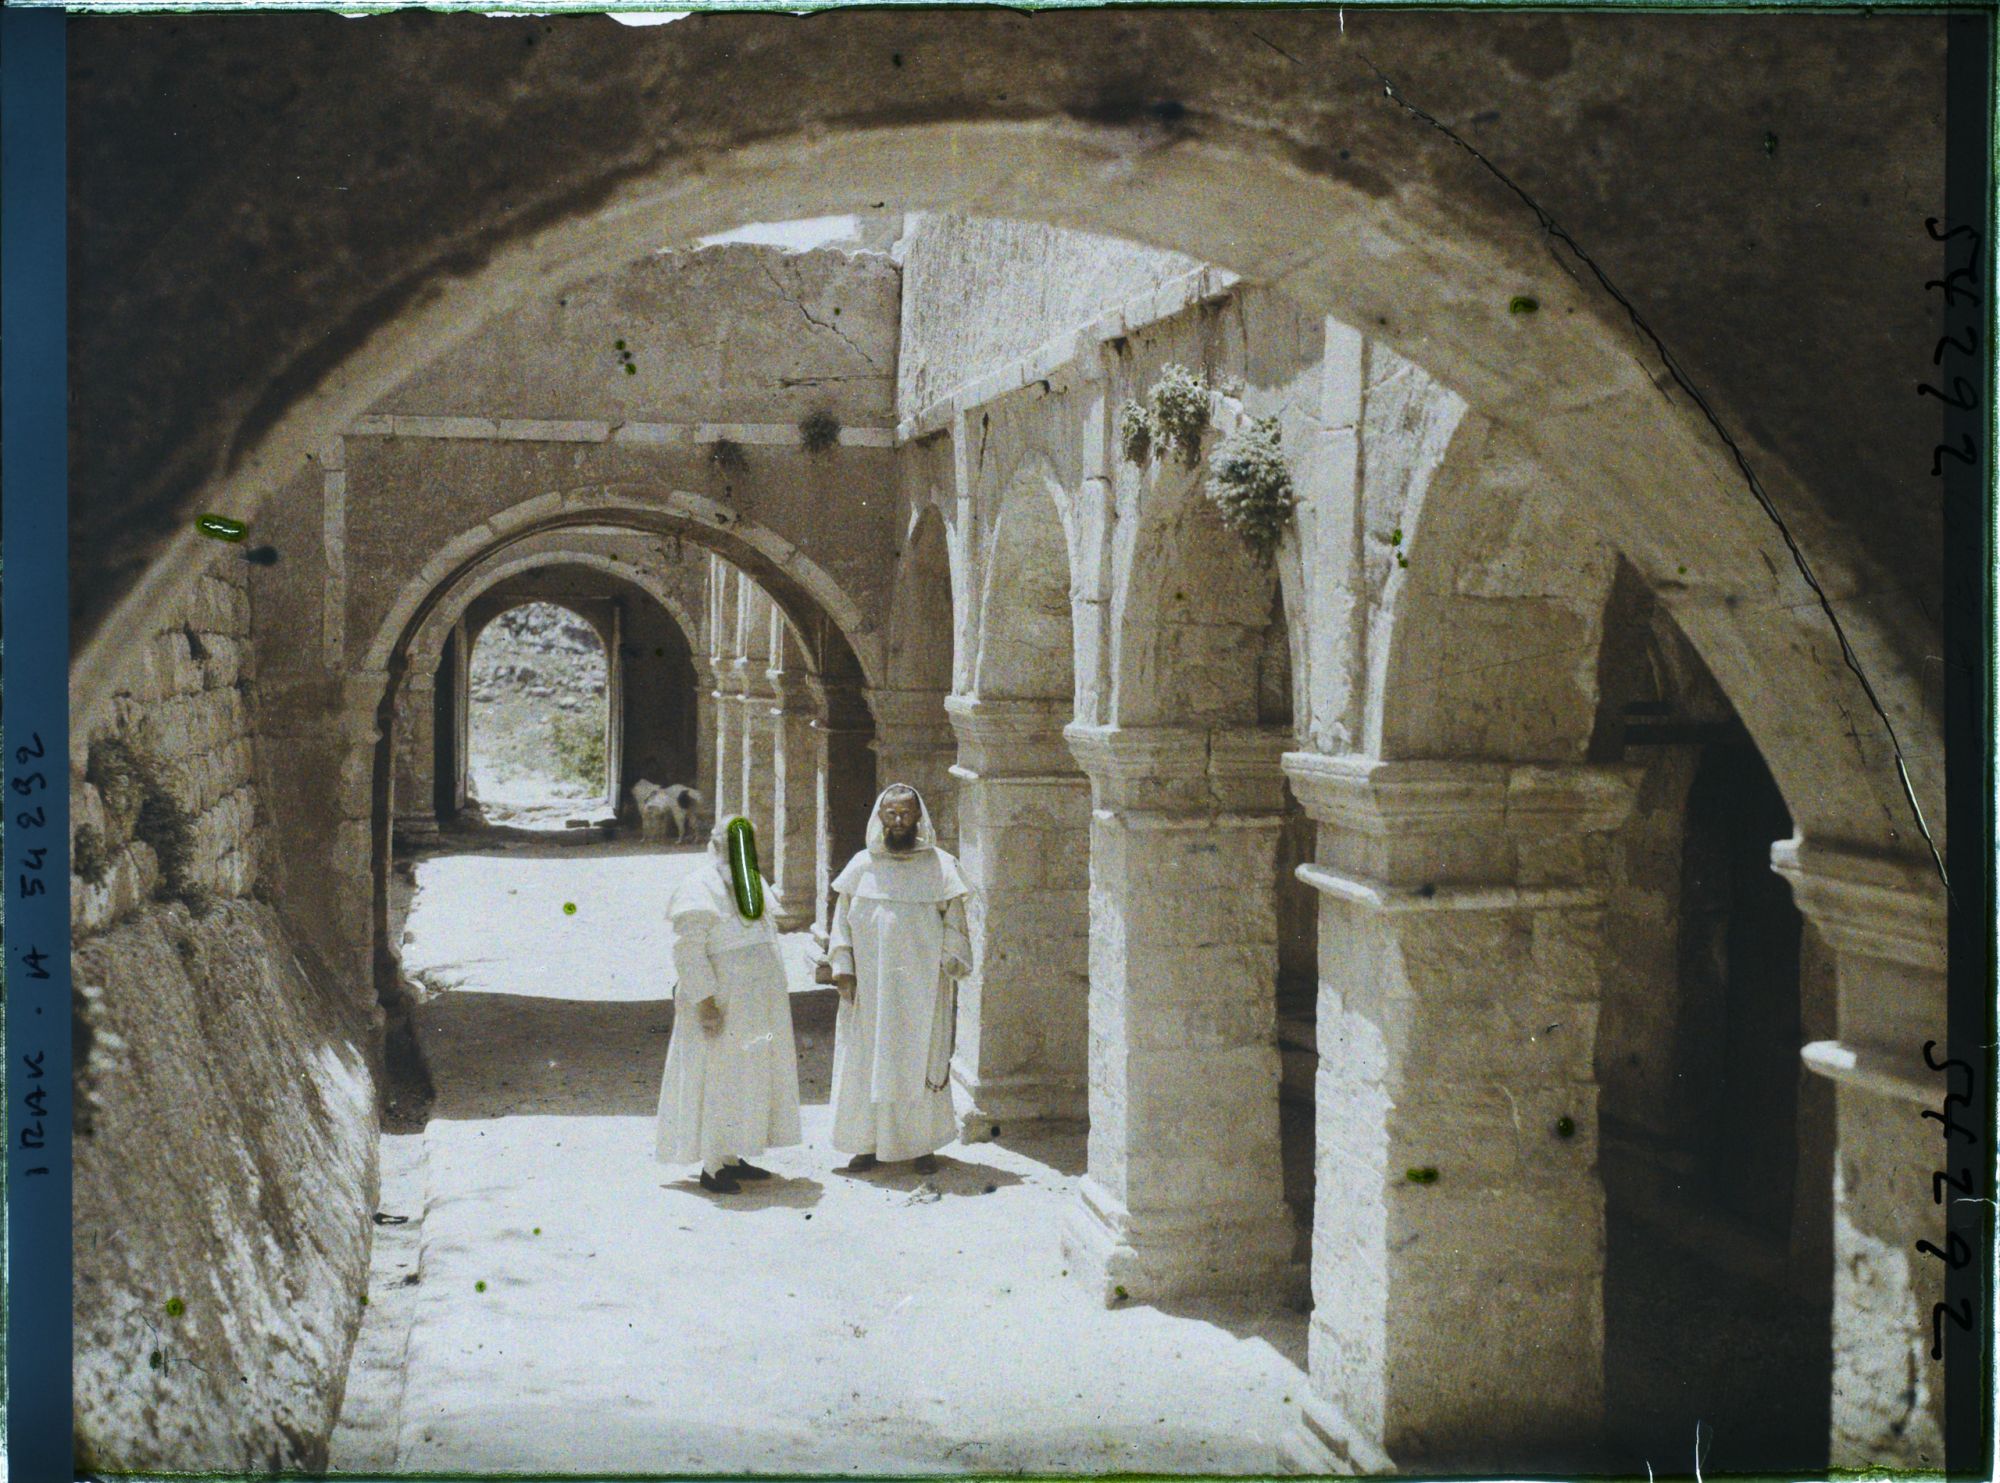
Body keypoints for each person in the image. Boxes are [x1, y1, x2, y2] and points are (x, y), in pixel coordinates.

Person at [826, 784, 972, 1175]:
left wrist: (951, 960)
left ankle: (920, 1145)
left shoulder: (941, 866)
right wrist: (844, 966)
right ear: (880, 816)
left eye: (905, 814)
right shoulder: (861, 865)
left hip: (922, 986)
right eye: (891, 814)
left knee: (918, 1058)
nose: (898, 821)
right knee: (868, 1059)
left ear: (918, 817)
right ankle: (867, 1144)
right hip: (871, 988)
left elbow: (956, 924)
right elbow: (841, 922)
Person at [654, 816, 802, 1194]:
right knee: (719, 1075)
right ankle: (713, 1163)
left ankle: (735, 1154)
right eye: (727, 843)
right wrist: (704, 1002)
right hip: (723, 998)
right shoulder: (697, 887)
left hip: (759, 1001)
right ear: (713, 845)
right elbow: (687, 951)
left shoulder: (754, 882)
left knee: (750, 1074)